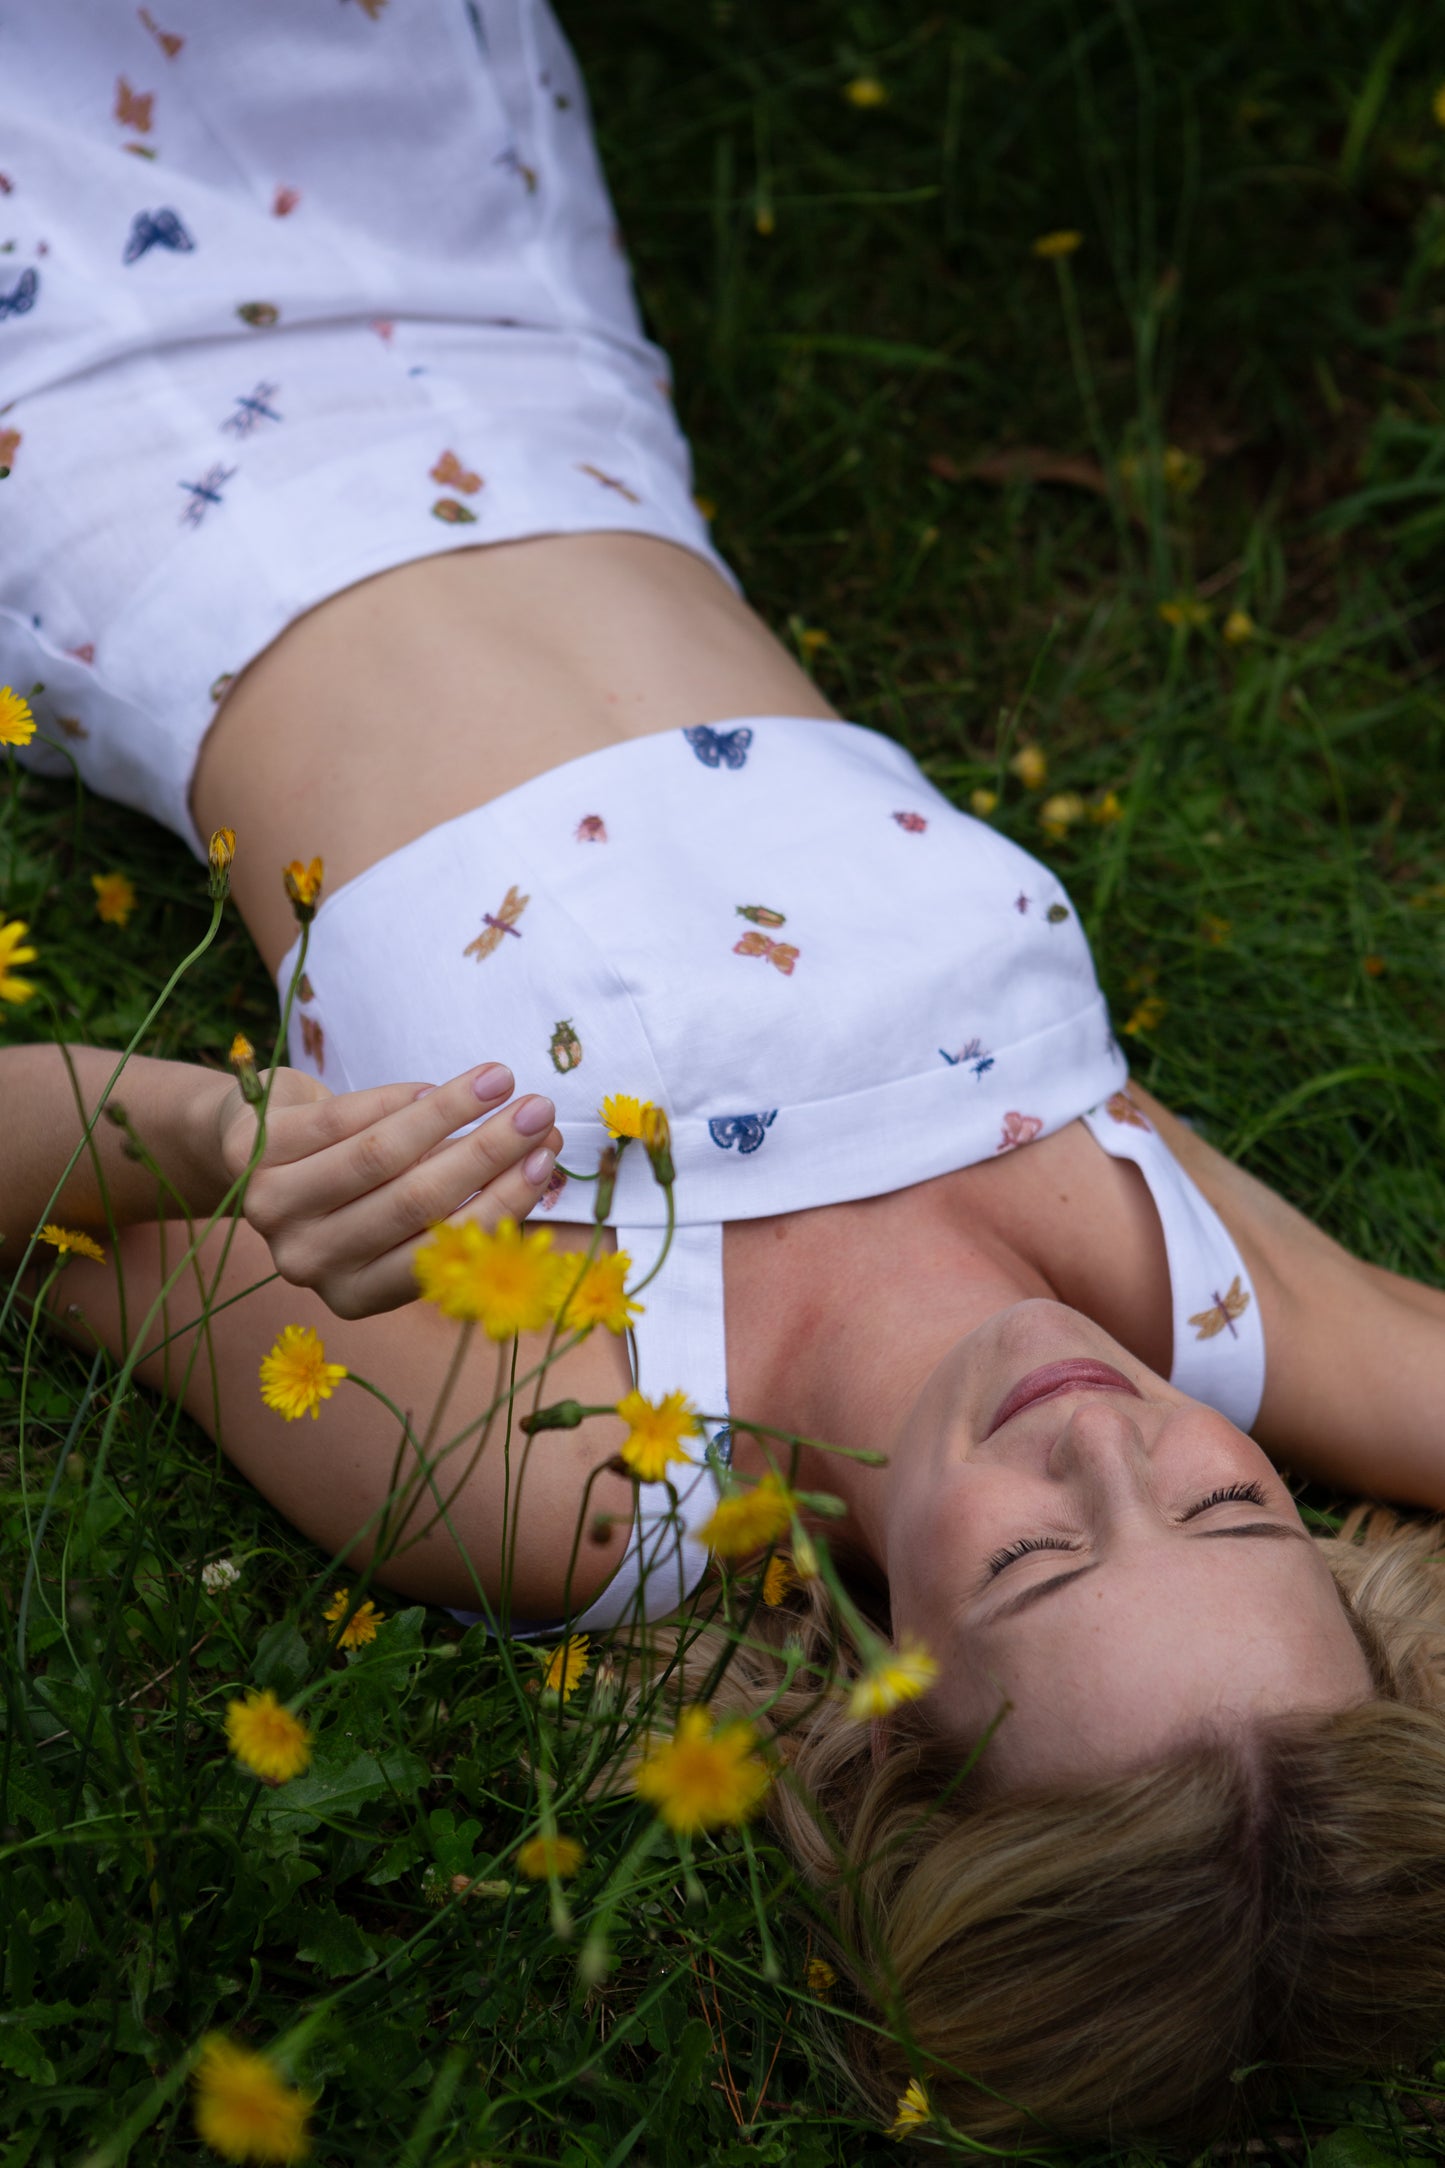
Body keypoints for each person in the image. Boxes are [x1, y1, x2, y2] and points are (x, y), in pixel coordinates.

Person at [6, 0, 1445, 2145]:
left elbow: (31, 1217)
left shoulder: (578, 1457)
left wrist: (208, 1131)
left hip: (93, 403)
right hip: (496, 293)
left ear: (890, 1702)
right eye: (1228, 1504)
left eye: (1038, 1560)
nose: (1102, 1435)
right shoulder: (1190, 1306)